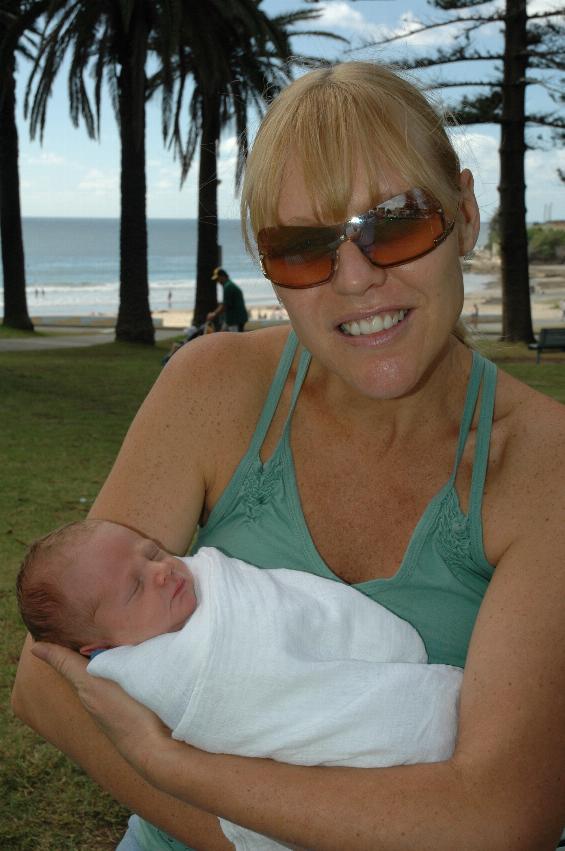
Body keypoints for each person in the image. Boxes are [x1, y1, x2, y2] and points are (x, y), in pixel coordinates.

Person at [12, 61, 565, 851]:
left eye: (396, 222)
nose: (356, 277)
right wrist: (231, 835)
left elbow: (498, 819)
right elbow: (47, 678)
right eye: (303, 248)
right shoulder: (216, 386)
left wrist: (164, 759)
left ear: (467, 215)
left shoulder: (546, 468)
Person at [17, 518, 462, 850]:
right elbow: (241, 696)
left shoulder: (215, 584)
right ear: (101, 649)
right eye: (135, 589)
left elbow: (287, 608)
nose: (162, 572)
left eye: (151, 553)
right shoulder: (148, 673)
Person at [206, 267, 249, 331]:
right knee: (222, 335)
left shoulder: (228, 287)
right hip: (232, 319)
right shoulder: (229, 285)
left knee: (234, 339)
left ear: (223, 276)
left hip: (235, 320)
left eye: (218, 279)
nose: (218, 282)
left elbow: (225, 305)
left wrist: (213, 314)